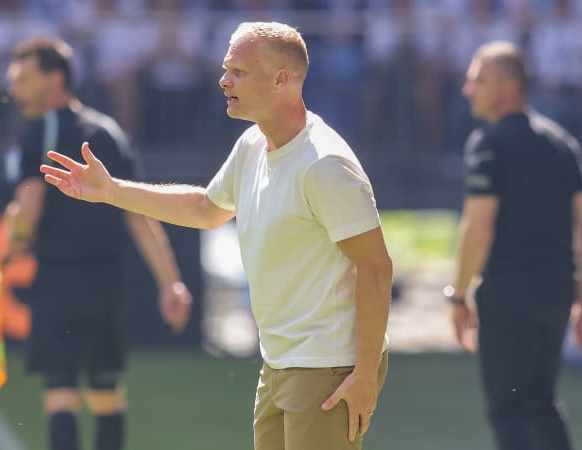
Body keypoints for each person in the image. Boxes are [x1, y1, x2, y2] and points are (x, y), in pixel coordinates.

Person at [40, 22, 392, 450]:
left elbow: (376, 268)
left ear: (282, 79)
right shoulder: (251, 144)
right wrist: (112, 191)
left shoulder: (325, 165)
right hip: (280, 363)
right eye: (227, 69)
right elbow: (207, 208)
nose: (224, 80)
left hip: (325, 366)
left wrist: (366, 375)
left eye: (239, 72)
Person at [3, 37, 193, 450]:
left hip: (57, 279)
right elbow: (138, 215)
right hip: (106, 282)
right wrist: (170, 282)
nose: (14, 89)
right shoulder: (109, 131)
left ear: (55, 79)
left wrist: (12, 243)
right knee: (107, 394)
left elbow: (28, 208)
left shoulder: (38, 130)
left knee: (61, 395)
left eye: (23, 79)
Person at [445, 40, 582, 450]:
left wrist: (459, 294)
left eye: (477, 80)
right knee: (541, 400)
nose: (468, 89)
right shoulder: (563, 144)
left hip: (508, 293)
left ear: (507, 86)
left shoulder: (488, 144)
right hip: (556, 291)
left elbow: (478, 227)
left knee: (508, 410)